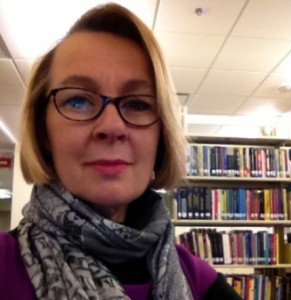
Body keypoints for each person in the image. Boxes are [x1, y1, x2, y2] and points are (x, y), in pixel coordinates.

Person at [0, 3, 242, 300]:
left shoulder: (201, 283)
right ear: (43, 131)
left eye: (138, 104)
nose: (112, 126)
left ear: (161, 137)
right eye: (77, 100)